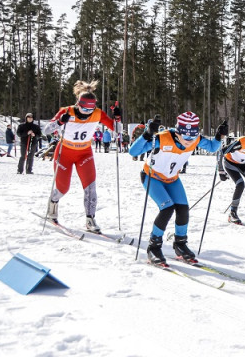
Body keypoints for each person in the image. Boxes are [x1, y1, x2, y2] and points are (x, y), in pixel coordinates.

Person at [129, 112, 225, 265]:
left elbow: (213, 147)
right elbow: (133, 152)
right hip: (151, 177)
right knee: (167, 208)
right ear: (178, 131)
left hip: (172, 179)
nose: (189, 141)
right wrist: (147, 134)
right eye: (185, 137)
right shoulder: (162, 138)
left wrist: (219, 136)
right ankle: (154, 247)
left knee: (182, 209)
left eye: (192, 137)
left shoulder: (196, 140)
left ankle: (180, 244)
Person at [42, 81, 121, 232]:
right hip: (64, 152)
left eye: (90, 109)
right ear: (78, 104)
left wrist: (117, 118)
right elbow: (46, 130)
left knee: (90, 187)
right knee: (63, 188)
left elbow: (117, 130)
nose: (87, 112)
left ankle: (90, 220)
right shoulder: (67, 111)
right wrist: (59, 122)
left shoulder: (98, 113)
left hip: (84, 153)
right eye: (84, 108)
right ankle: (52, 205)